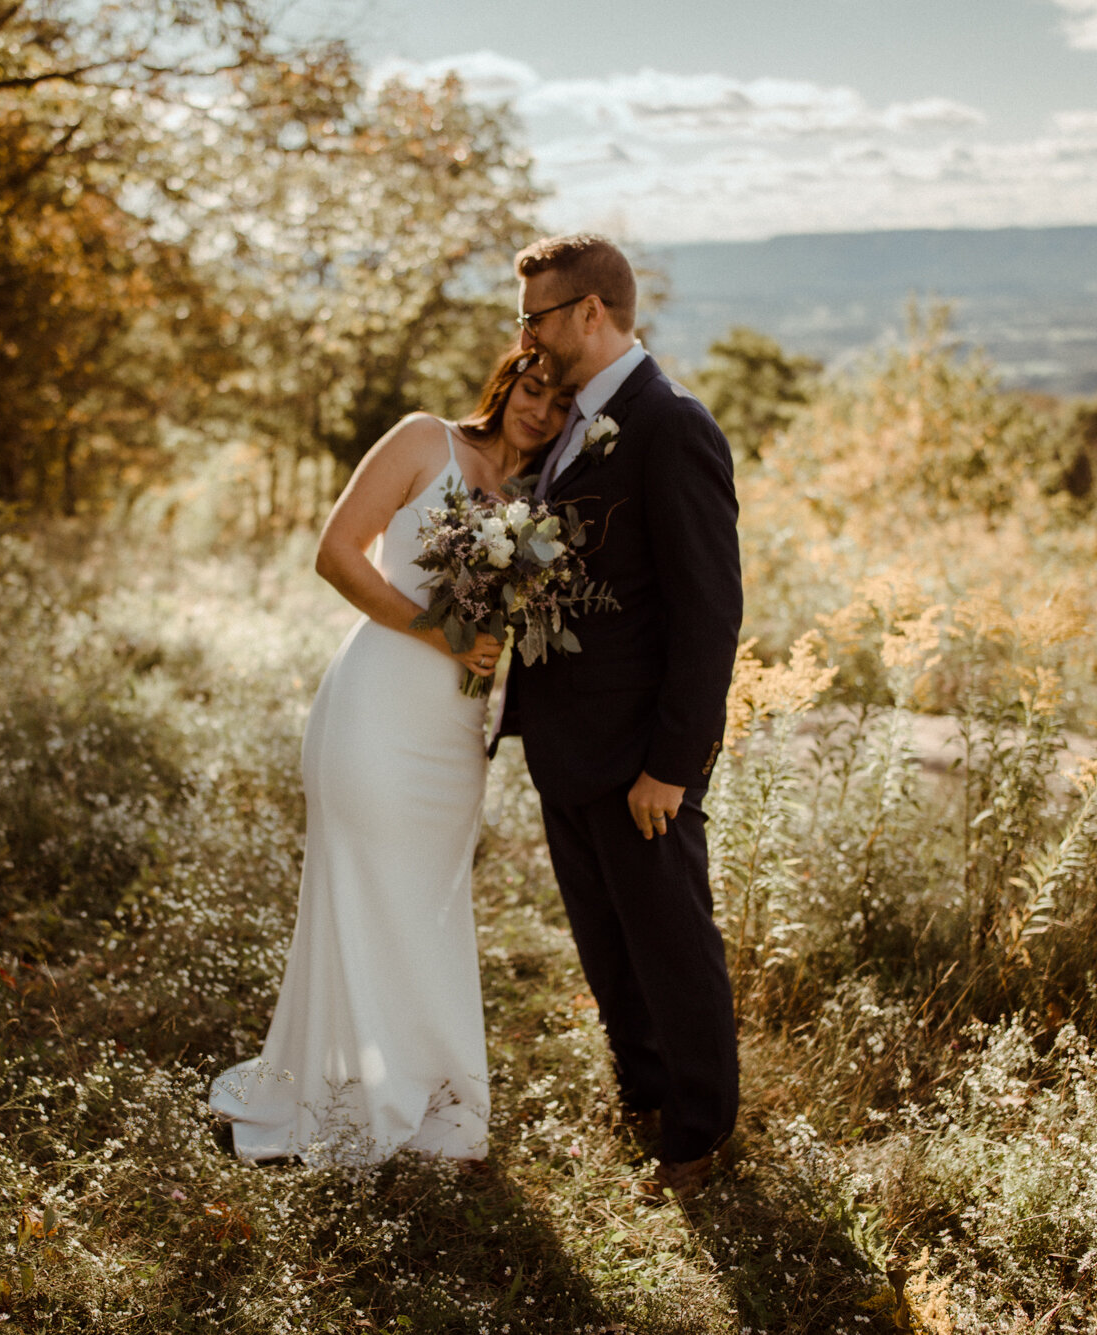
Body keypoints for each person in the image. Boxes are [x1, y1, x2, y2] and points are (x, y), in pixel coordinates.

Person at [209, 349, 576, 1165]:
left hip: (452, 731)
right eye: (533, 387)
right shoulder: (424, 440)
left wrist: (493, 640)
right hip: (375, 705)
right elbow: (335, 553)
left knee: (429, 904)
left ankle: (429, 1090)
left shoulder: (538, 505)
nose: (541, 409)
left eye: (561, 400)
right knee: (361, 891)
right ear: (506, 381)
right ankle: (347, 1098)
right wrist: (438, 629)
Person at [499, 233, 743, 1202]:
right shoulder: (568, 421)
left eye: (534, 316)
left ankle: (697, 1135)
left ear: (589, 313)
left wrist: (671, 767)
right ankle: (640, 1098)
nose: (525, 337)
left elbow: (706, 613)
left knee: (672, 952)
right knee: (608, 949)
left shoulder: (668, 424)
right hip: (565, 748)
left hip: (641, 761)